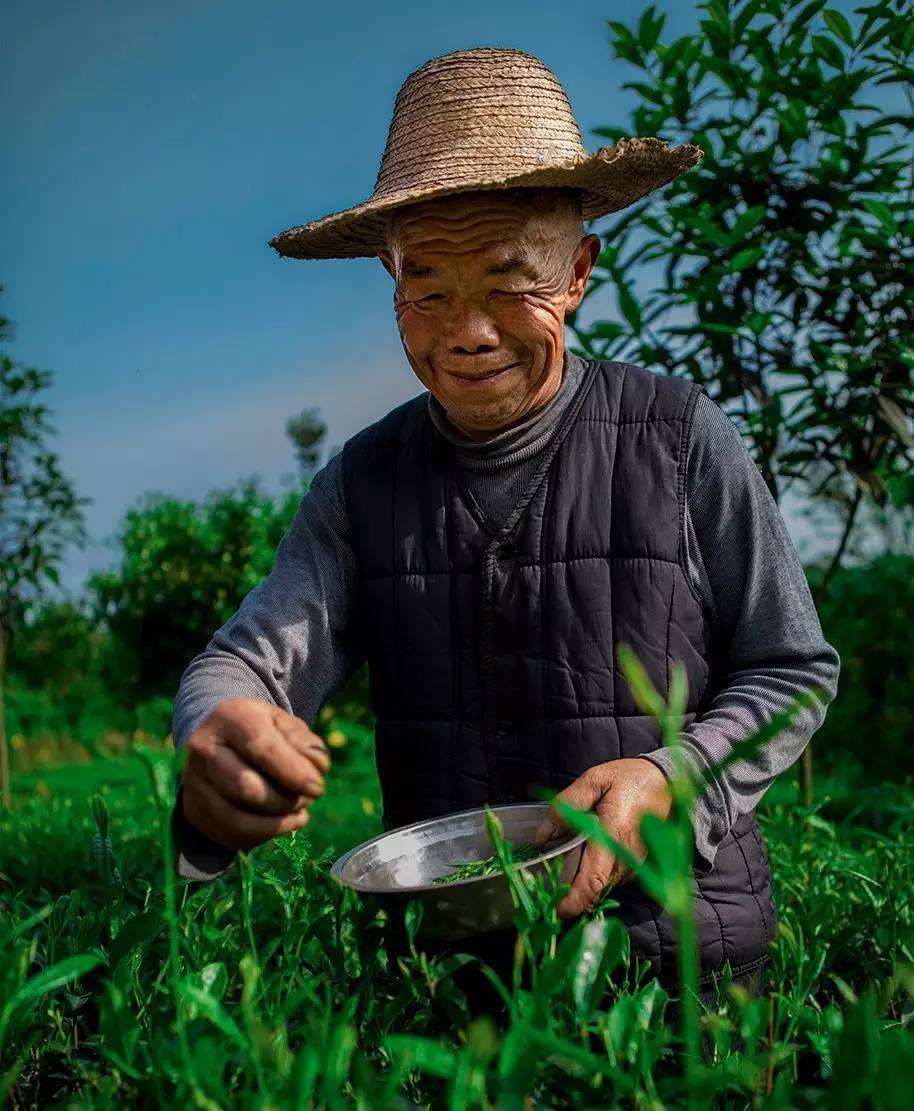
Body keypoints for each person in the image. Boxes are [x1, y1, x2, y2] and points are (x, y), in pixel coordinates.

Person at [170, 47, 840, 996]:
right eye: (428, 287)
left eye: (507, 281)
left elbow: (793, 669)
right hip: (454, 982)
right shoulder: (362, 482)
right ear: (391, 285)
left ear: (576, 273)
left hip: (687, 968)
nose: (466, 332)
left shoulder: (681, 435)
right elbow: (247, 662)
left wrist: (672, 776)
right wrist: (217, 727)